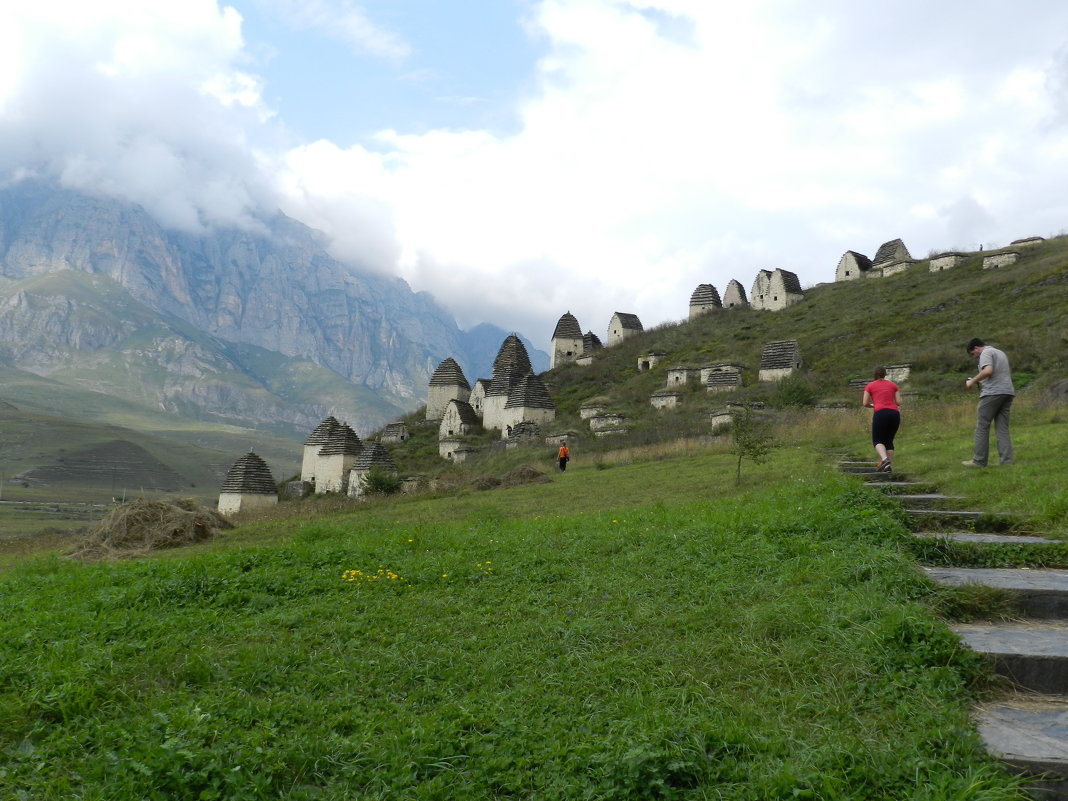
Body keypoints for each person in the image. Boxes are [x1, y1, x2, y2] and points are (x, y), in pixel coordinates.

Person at [962, 338, 1015, 467]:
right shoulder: (1000, 353)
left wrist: (972, 381)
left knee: (982, 426)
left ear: (976, 348)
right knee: (1002, 428)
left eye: (973, 354)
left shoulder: (985, 353)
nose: (974, 357)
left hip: (992, 394)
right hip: (1007, 392)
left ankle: (979, 461)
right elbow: (995, 374)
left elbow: (988, 371)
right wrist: (981, 381)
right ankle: (1006, 461)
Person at [862, 367, 901, 472]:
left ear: (874, 375)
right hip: (894, 414)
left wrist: (873, 405)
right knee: (889, 441)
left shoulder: (870, 385)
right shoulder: (893, 385)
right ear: (885, 374)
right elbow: (899, 402)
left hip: (881, 413)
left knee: (877, 440)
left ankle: (884, 460)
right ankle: (887, 467)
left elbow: (865, 403)